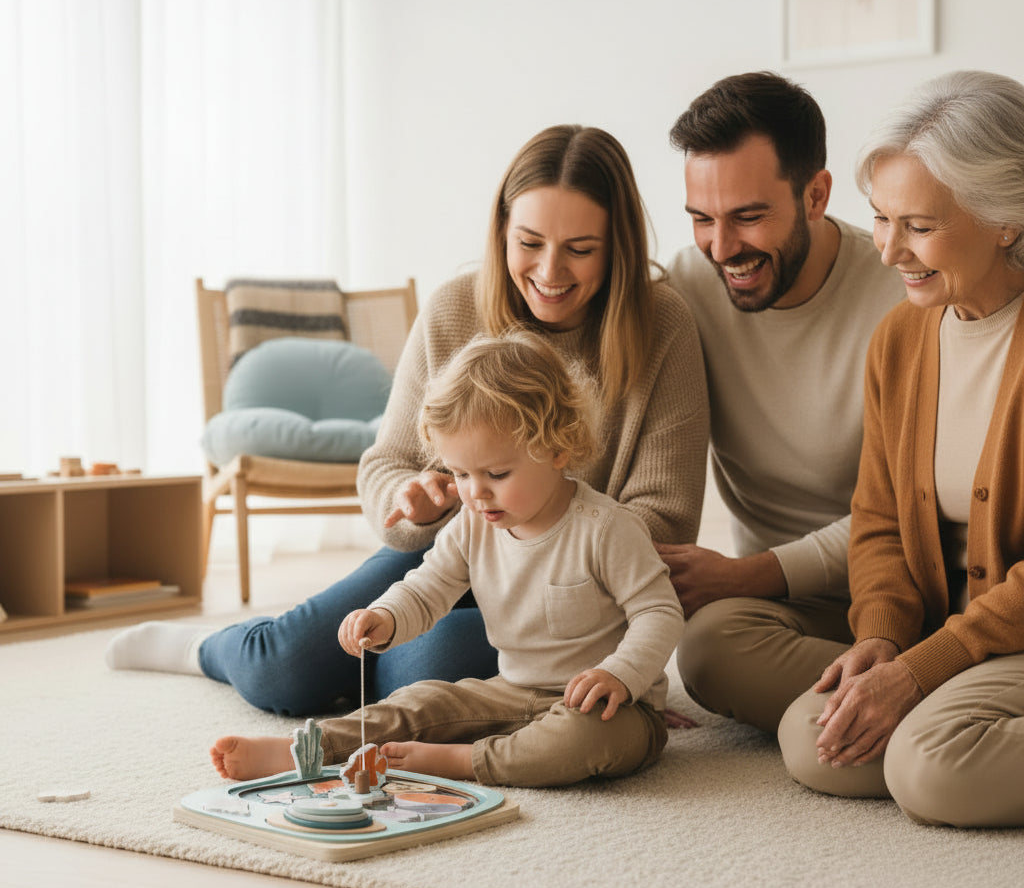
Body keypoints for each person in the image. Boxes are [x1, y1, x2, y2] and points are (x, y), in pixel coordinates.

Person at [107, 124, 709, 716]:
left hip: (579, 586)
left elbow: (667, 516)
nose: (550, 272)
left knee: (421, 669)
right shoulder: (455, 308)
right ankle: (202, 648)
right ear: (501, 231)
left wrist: (552, 536)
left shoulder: (663, 326)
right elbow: (386, 464)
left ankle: (361, 676)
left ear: (618, 247)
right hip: (455, 546)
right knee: (282, 669)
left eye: (580, 250)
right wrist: (413, 501)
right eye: (529, 243)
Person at [211, 329, 684, 787]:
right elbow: (426, 588)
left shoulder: (606, 528)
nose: (475, 493)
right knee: (420, 701)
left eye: (496, 473)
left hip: (609, 707)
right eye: (459, 473)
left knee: (586, 738)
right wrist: (385, 617)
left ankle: (463, 761)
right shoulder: (473, 524)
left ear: (558, 448)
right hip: (510, 692)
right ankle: (305, 750)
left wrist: (620, 674)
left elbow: (659, 612)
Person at [778, 70, 1024, 827]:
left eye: (917, 225)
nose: (887, 251)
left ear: (1005, 222)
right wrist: (882, 638)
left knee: (931, 770)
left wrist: (923, 671)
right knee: (810, 741)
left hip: (1006, 630)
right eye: (881, 219)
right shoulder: (901, 337)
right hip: (954, 626)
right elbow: (878, 518)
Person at [659, 71, 905, 733]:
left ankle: (920, 700)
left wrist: (749, 573)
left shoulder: (900, 293)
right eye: (701, 220)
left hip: (911, 591)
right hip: (789, 612)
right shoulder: (684, 288)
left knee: (804, 731)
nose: (721, 247)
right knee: (708, 652)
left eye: (748, 216)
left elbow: (915, 512)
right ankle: (917, 707)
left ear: (816, 194)